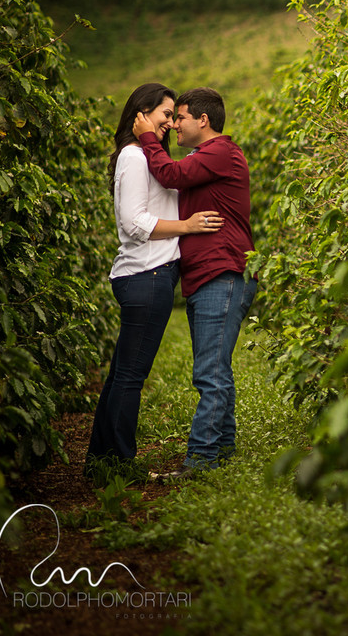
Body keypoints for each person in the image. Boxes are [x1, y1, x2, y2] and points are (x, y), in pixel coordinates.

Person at [86, 82, 223, 482]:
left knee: (121, 373)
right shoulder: (134, 156)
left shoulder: (146, 156)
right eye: (166, 114)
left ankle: (101, 461)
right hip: (147, 274)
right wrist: (187, 226)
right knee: (131, 376)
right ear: (141, 113)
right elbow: (134, 222)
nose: (170, 122)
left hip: (148, 274)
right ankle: (120, 465)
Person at [133, 87, 256, 478]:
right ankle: (222, 452)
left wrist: (147, 137)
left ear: (203, 120)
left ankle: (200, 461)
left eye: (181, 117)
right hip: (211, 276)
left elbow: (170, 174)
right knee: (216, 370)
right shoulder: (207, 157)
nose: (175, 125)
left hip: (222, 274)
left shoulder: (220, 151)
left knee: (209, 373)